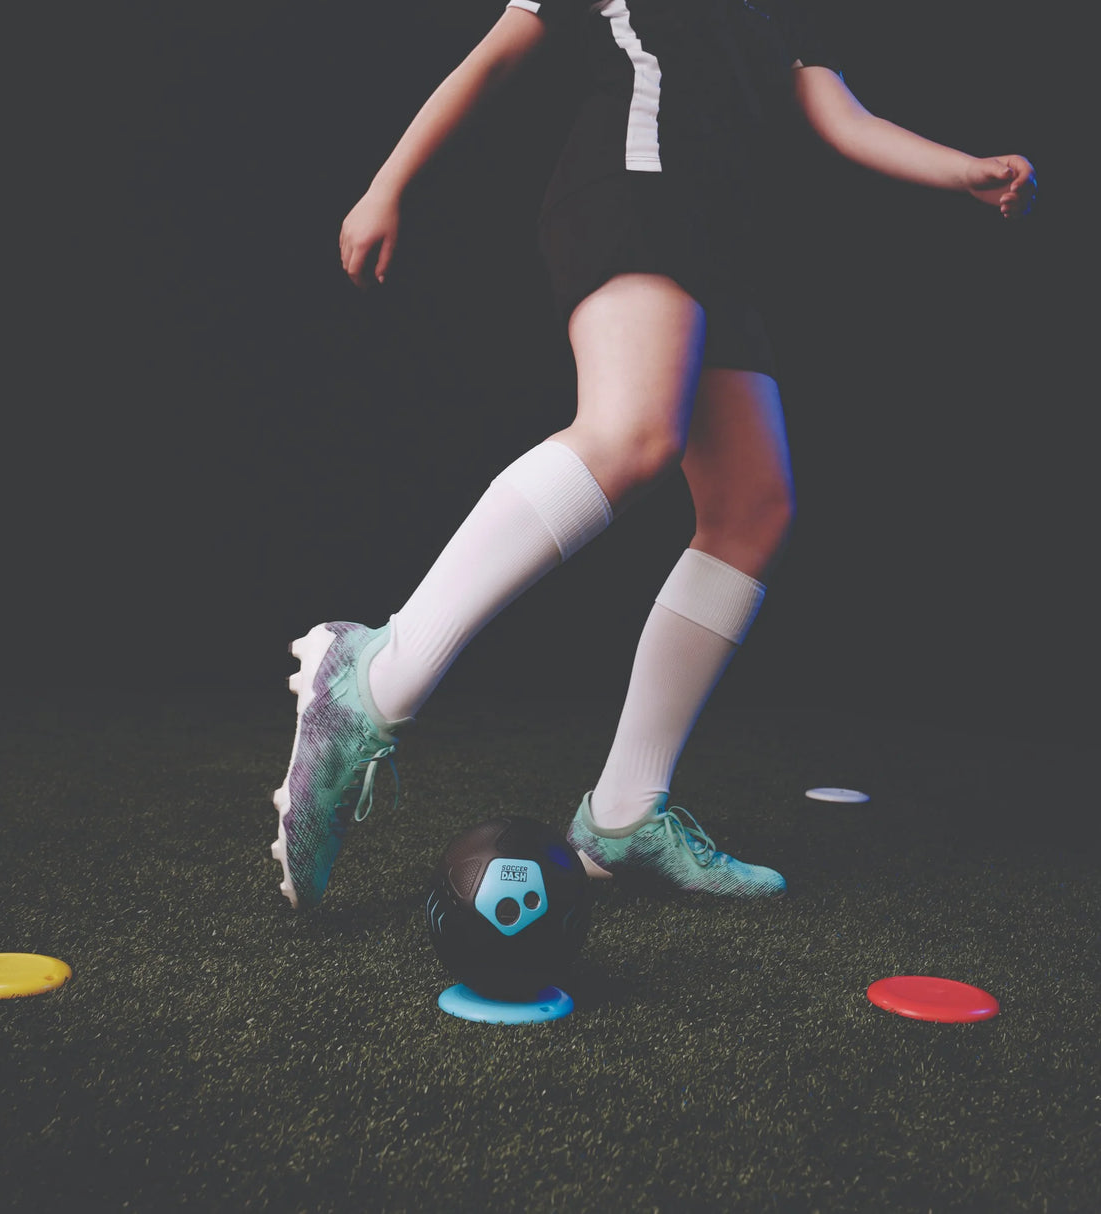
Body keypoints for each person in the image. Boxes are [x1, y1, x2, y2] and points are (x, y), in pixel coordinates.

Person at [270, 1, 1036, 910]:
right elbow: (489, 61)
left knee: (753, 507)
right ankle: (372, 675)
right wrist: (386, 183)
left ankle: (626, 814)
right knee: (632, 433)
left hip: (717, 245)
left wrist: (965, 173)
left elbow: (843, 118)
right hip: (631, 190)